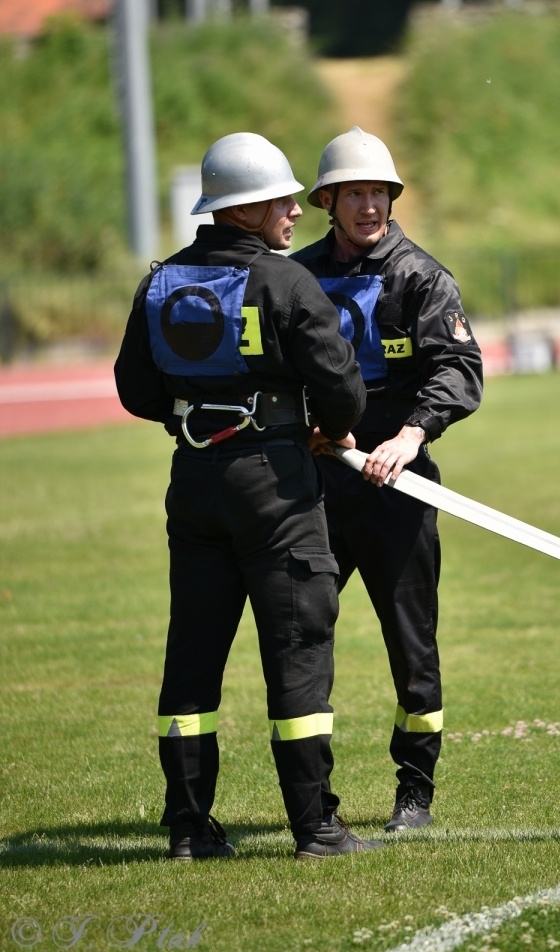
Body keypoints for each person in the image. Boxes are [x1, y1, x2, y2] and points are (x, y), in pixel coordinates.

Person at [114, 131, 382, 861]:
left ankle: (188, 828)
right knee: (298, 651)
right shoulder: (286, 282)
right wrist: (325, 426)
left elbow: (135, 392)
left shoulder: (161, 281)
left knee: (192, 659)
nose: (297, 210)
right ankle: (315, 827)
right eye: (283, 200)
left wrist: (199, 407)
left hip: (195, 485)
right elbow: (342, 391)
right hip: (278, 489)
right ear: (248, 208)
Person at [291, 126, 483, 832]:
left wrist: (409, 436)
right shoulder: (297, 276)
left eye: (379, 192)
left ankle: (414, 790)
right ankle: (314, 799)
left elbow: (458, 371)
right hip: (316, 488)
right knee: (305, 639)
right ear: (328, 201)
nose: (369, 205)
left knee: (411, 642)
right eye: (355, 193)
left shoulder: (422, 277)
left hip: (399, 491)